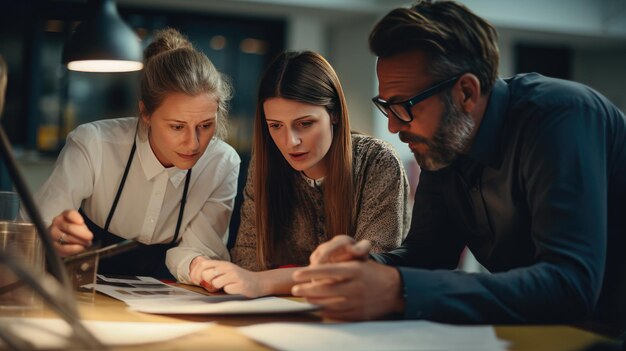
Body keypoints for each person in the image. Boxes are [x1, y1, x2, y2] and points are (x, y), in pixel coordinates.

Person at [291, 0, 626, 333]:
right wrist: (363, 269)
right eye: (386, 106)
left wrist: (396, 288)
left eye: (404, 106)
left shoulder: (561, 118)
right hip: (542, 332)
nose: (393, 126)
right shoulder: (444, 143)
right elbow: (428, 255)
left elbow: (570, 285)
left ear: (466, 92)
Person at [189, 51, 411, 297]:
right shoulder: (266, 166)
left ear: (334, 114)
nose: (290, 141)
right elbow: (248, 262)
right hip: (286, 318)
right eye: (275, 126)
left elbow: (367, 271)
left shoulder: (377, 161)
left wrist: (266, 281)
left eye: (305, 124)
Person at [36, 29, 240, 282]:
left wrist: (200, 265)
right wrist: (53, 235)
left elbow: (200, 249)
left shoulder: (222, 163)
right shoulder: (94, 144)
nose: (194, 143)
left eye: (205, 126)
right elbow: (36, 228)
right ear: (145, 113)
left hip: (160, 298)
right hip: (79, 289)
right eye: (177, 127)